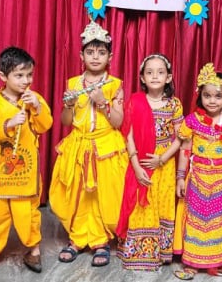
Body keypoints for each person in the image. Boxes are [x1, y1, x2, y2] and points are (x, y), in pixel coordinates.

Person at [48, 21, 128, 267]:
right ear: (81, 55)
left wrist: (103, 102)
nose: (95, 57)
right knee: (78, 193)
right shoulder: (73, 83)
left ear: (110, 57)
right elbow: (65, 121)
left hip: (106, 147)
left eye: (101, 52)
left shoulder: (115, 85)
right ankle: (76, 238)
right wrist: (69, 105)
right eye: (90, 52)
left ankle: (101, 241)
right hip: (79, 145)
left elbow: (118, 122)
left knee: (103, 195)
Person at [0, 46, 53, 280]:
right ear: (3, 76)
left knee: (28, 215)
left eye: (29, 75)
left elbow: (45, 125)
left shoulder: (34, 100)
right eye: (19, 75)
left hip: (25, 175)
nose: (26, 80)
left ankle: (34, 250)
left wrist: (37, 107)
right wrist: (7, 124)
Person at [173, 63, 222, 280]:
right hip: (197, 178)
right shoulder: (192, 121)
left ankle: (217, 265)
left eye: (218, 96)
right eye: (207, 95)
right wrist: (180, 177)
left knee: (219, 222)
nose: (212, 101)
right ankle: (192, 264)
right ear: (200, 96)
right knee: (195, 220)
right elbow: (185, 149)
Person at [116, 53, 183, 270]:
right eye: (150, 72)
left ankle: (161, 252)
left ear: (169, 77)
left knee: (161, 204)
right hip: (142, 160)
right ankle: (139, 253)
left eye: (160, 72)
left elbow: (180, 137)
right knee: (141, 206)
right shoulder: (135, 101)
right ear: (142, 78)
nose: (155, 76)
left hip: (165, 164)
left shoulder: (174, 104)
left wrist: (162, 159)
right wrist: (136, 166)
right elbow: (128, 135)